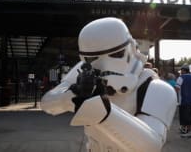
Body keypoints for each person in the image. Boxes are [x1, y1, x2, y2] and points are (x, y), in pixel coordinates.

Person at [40, 17, 177, 151]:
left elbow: (150, 146)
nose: (106, 65)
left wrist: (103, 111)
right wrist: (73, 94)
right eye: (93, 58)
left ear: (133, 48)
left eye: (116, 54)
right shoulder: (87, 69)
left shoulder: (157, 88)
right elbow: (47, 103)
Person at [175, 65, 191, 137]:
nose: (181, 72)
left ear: (184, 70)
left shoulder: (181, 77)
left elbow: (177, 88)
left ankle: (188, 130)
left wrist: (174, 98)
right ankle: (184, 129)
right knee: (189, 114)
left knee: (184, 115)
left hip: (183, 100)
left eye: (181, 71)